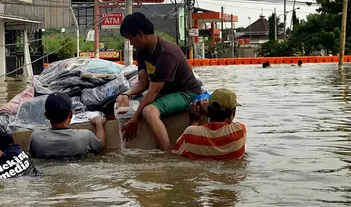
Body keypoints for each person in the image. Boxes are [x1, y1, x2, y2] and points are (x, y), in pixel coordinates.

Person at [116, 12, 204, 151]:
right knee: (127, 100)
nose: (131, 43)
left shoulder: (166, 52)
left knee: (148, 112)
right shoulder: (142, 50)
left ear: (140, 35)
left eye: (130, 39)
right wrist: (126, 94)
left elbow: (153, 90)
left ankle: (167, 155)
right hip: (164, 92)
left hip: (186, 93)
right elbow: (143, 82)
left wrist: (135, 119)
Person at [173, 89, 246, 160]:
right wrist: (208, 113)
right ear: (232, 113)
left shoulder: (190, 132)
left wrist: (195, 121)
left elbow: (176, 151)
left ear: (209, 109)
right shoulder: (240, 130)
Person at [28, 92, 107, 159]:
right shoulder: (85, 137)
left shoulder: (36, 138)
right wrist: (99, 123)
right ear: (71, 114)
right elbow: (100, 145)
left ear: (46, 115)